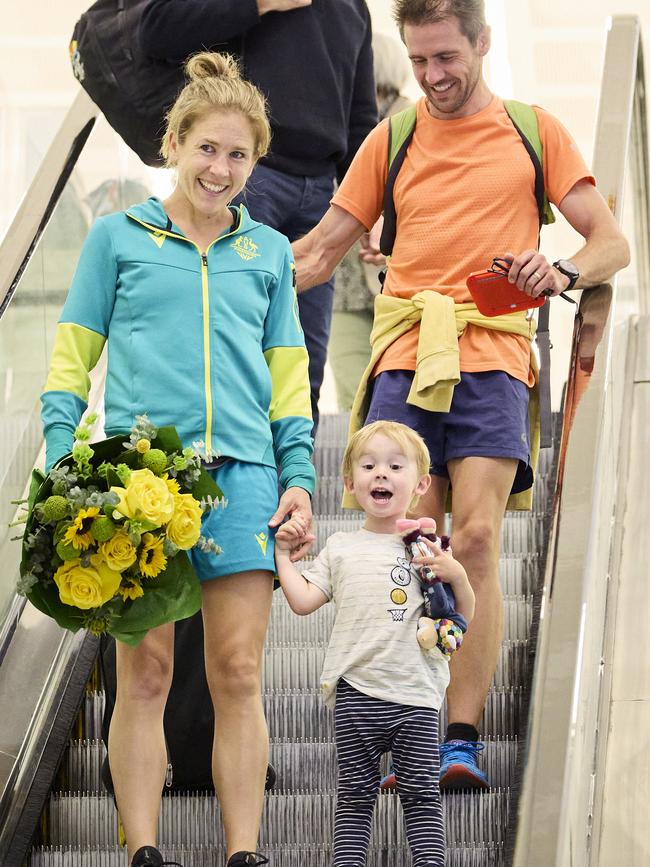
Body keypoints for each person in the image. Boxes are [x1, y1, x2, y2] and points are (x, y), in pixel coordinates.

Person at [291, 0, 630, 789]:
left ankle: (460, 736)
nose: (433, 76)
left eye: (447, 57)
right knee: (402, 544)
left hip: (493, 350)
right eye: (419, 61)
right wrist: (221, 264)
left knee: (472, 538)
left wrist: (565, 271)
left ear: (481, 42)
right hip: (405, 354)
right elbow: (317, 253)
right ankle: (403, 720)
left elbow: (610, 239)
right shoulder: (394, 137)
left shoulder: (532, 129)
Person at [41, 52, 316, 867]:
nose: (221, 168)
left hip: (243, 477)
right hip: (141, 482)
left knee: (236, 670)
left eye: (238, 155)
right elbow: (70, 361)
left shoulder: (267, 253)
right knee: (148, 673)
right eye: (207, 149)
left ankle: (242, 851)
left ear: (254, 163)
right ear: (173, 144)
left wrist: (298, 474)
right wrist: (65, 460)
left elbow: (288, 376)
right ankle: (144, 851)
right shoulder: (115, 239)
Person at [139, 0, 378, 430]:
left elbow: (361, 118)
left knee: (304, 366)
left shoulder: (353, 8)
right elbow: (156, 28)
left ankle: (294, 491)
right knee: (232, 355)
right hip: (248, 177)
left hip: (322, 192)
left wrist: (371, 207)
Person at [274, 420, 475, 867]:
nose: (380, 474)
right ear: (349, 483)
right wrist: (283, 560)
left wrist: (457, 574)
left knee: (422, 794)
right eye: (368, 466)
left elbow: (461, 618)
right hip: (355, 693)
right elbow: (304, 601)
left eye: (394, 466)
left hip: (416, 693)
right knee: (355, 796)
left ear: (421, 484)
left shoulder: (428, 550)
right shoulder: (341, 547)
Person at [329, 30, 413, 411]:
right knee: (352, 391)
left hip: (398, 282)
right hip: (341, 281)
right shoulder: (330, 121)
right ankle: (358, 467)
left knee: (398, 390)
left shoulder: (415, 122)